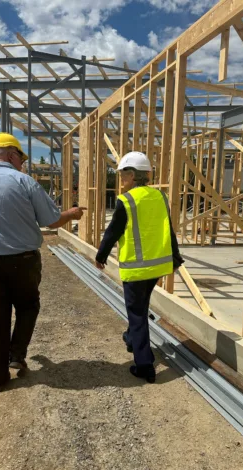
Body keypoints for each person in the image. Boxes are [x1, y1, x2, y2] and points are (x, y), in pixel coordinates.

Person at [0, 132, 86, 392]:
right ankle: (16, 355)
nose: (22, 163)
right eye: (21, 158)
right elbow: (52, 221)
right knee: (27, 306)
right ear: (11, 154)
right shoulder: (25, 182)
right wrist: (73, 213)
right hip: (23, 261)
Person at [95, 152, 184, 383]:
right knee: (140, 308)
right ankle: (132, 339)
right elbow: (169, 228)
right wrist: (176, 257)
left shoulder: (126, 200)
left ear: (133, 175)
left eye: (123, 173)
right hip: (157, 267)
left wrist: (101, 255)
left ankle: (145, 365)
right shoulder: (160, 197)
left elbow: (112, 232)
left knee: (136, 314)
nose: (121, 178)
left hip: (136, 270)